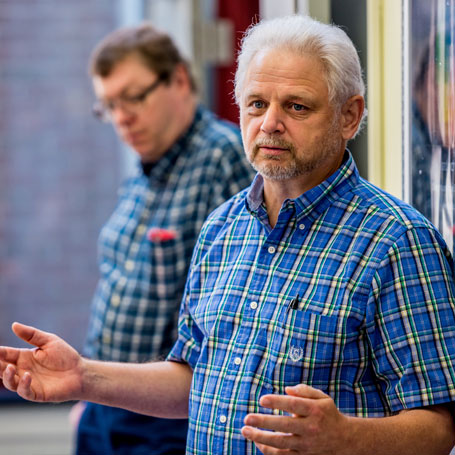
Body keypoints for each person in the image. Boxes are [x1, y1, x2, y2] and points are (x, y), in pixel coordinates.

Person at [2, 14, 455, 455]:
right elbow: (191, 380)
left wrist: (344, 440)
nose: (270, 123)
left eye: (296, 106)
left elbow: (439, 429)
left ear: (349, 117)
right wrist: (82, 377)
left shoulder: (398, 242)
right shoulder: (222, 228)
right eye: (257, 104)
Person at [67, 23, 255, 455]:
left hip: (166, 417)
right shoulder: (142, 172)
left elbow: (238, 312)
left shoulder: (222, 160)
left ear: (180, 80)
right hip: (103, 405)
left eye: (133, 97)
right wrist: (88, 397)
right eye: (109, 106)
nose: (121, 118)